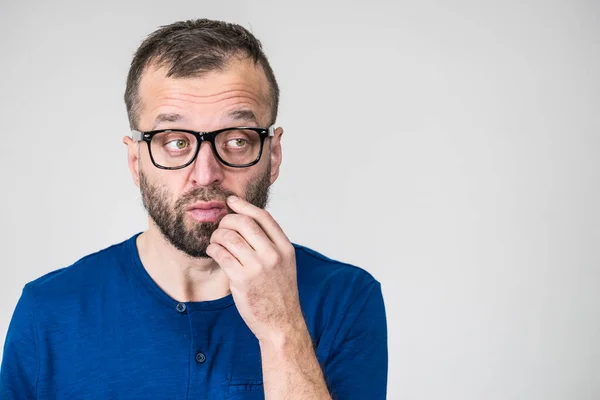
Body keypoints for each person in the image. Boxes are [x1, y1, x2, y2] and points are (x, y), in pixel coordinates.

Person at [0, 18, 387, 399]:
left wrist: (280, 329)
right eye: (174, 142)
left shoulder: (346, 299)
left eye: (237, 140)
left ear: (273, 156)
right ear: (136, 161)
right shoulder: (47, 313)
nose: (205, 175)